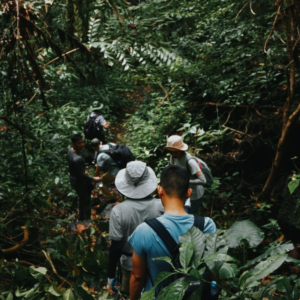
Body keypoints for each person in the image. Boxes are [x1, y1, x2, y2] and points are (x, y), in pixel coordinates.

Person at [128, 165, 216, 300]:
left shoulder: (144, 231)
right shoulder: (207, 225)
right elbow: (214, 271)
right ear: (189, 193)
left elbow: (137, 277)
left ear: (160, 191)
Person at [107, 161, 164, 296]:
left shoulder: (118, 211)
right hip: (158, 262)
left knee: (131, 294)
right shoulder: (162, 206)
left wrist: (110, 274)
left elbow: (116, 246)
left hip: (130, 264)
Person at [165, 135, 207, 214]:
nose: (173, 154)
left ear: (181, 150)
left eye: (175, 152)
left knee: (189, 215)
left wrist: (185, 181)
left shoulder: (190, 162)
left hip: (194, 195)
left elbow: (203, 180)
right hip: (182, 192)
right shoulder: (173, 157)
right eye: (170, 151)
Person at [67, 134, 101, 221]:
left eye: (82, 142)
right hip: (80, 182)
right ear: (73, 144)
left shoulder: (70, 151)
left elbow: (74, 168)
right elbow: (81, 175)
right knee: (87, 201)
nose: (82, 144)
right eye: (79, 143)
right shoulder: (77, 158)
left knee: (81, 197)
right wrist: (93, 179)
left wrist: (83, 171)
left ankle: (81, 216)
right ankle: (88, 221)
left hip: (73, 179)